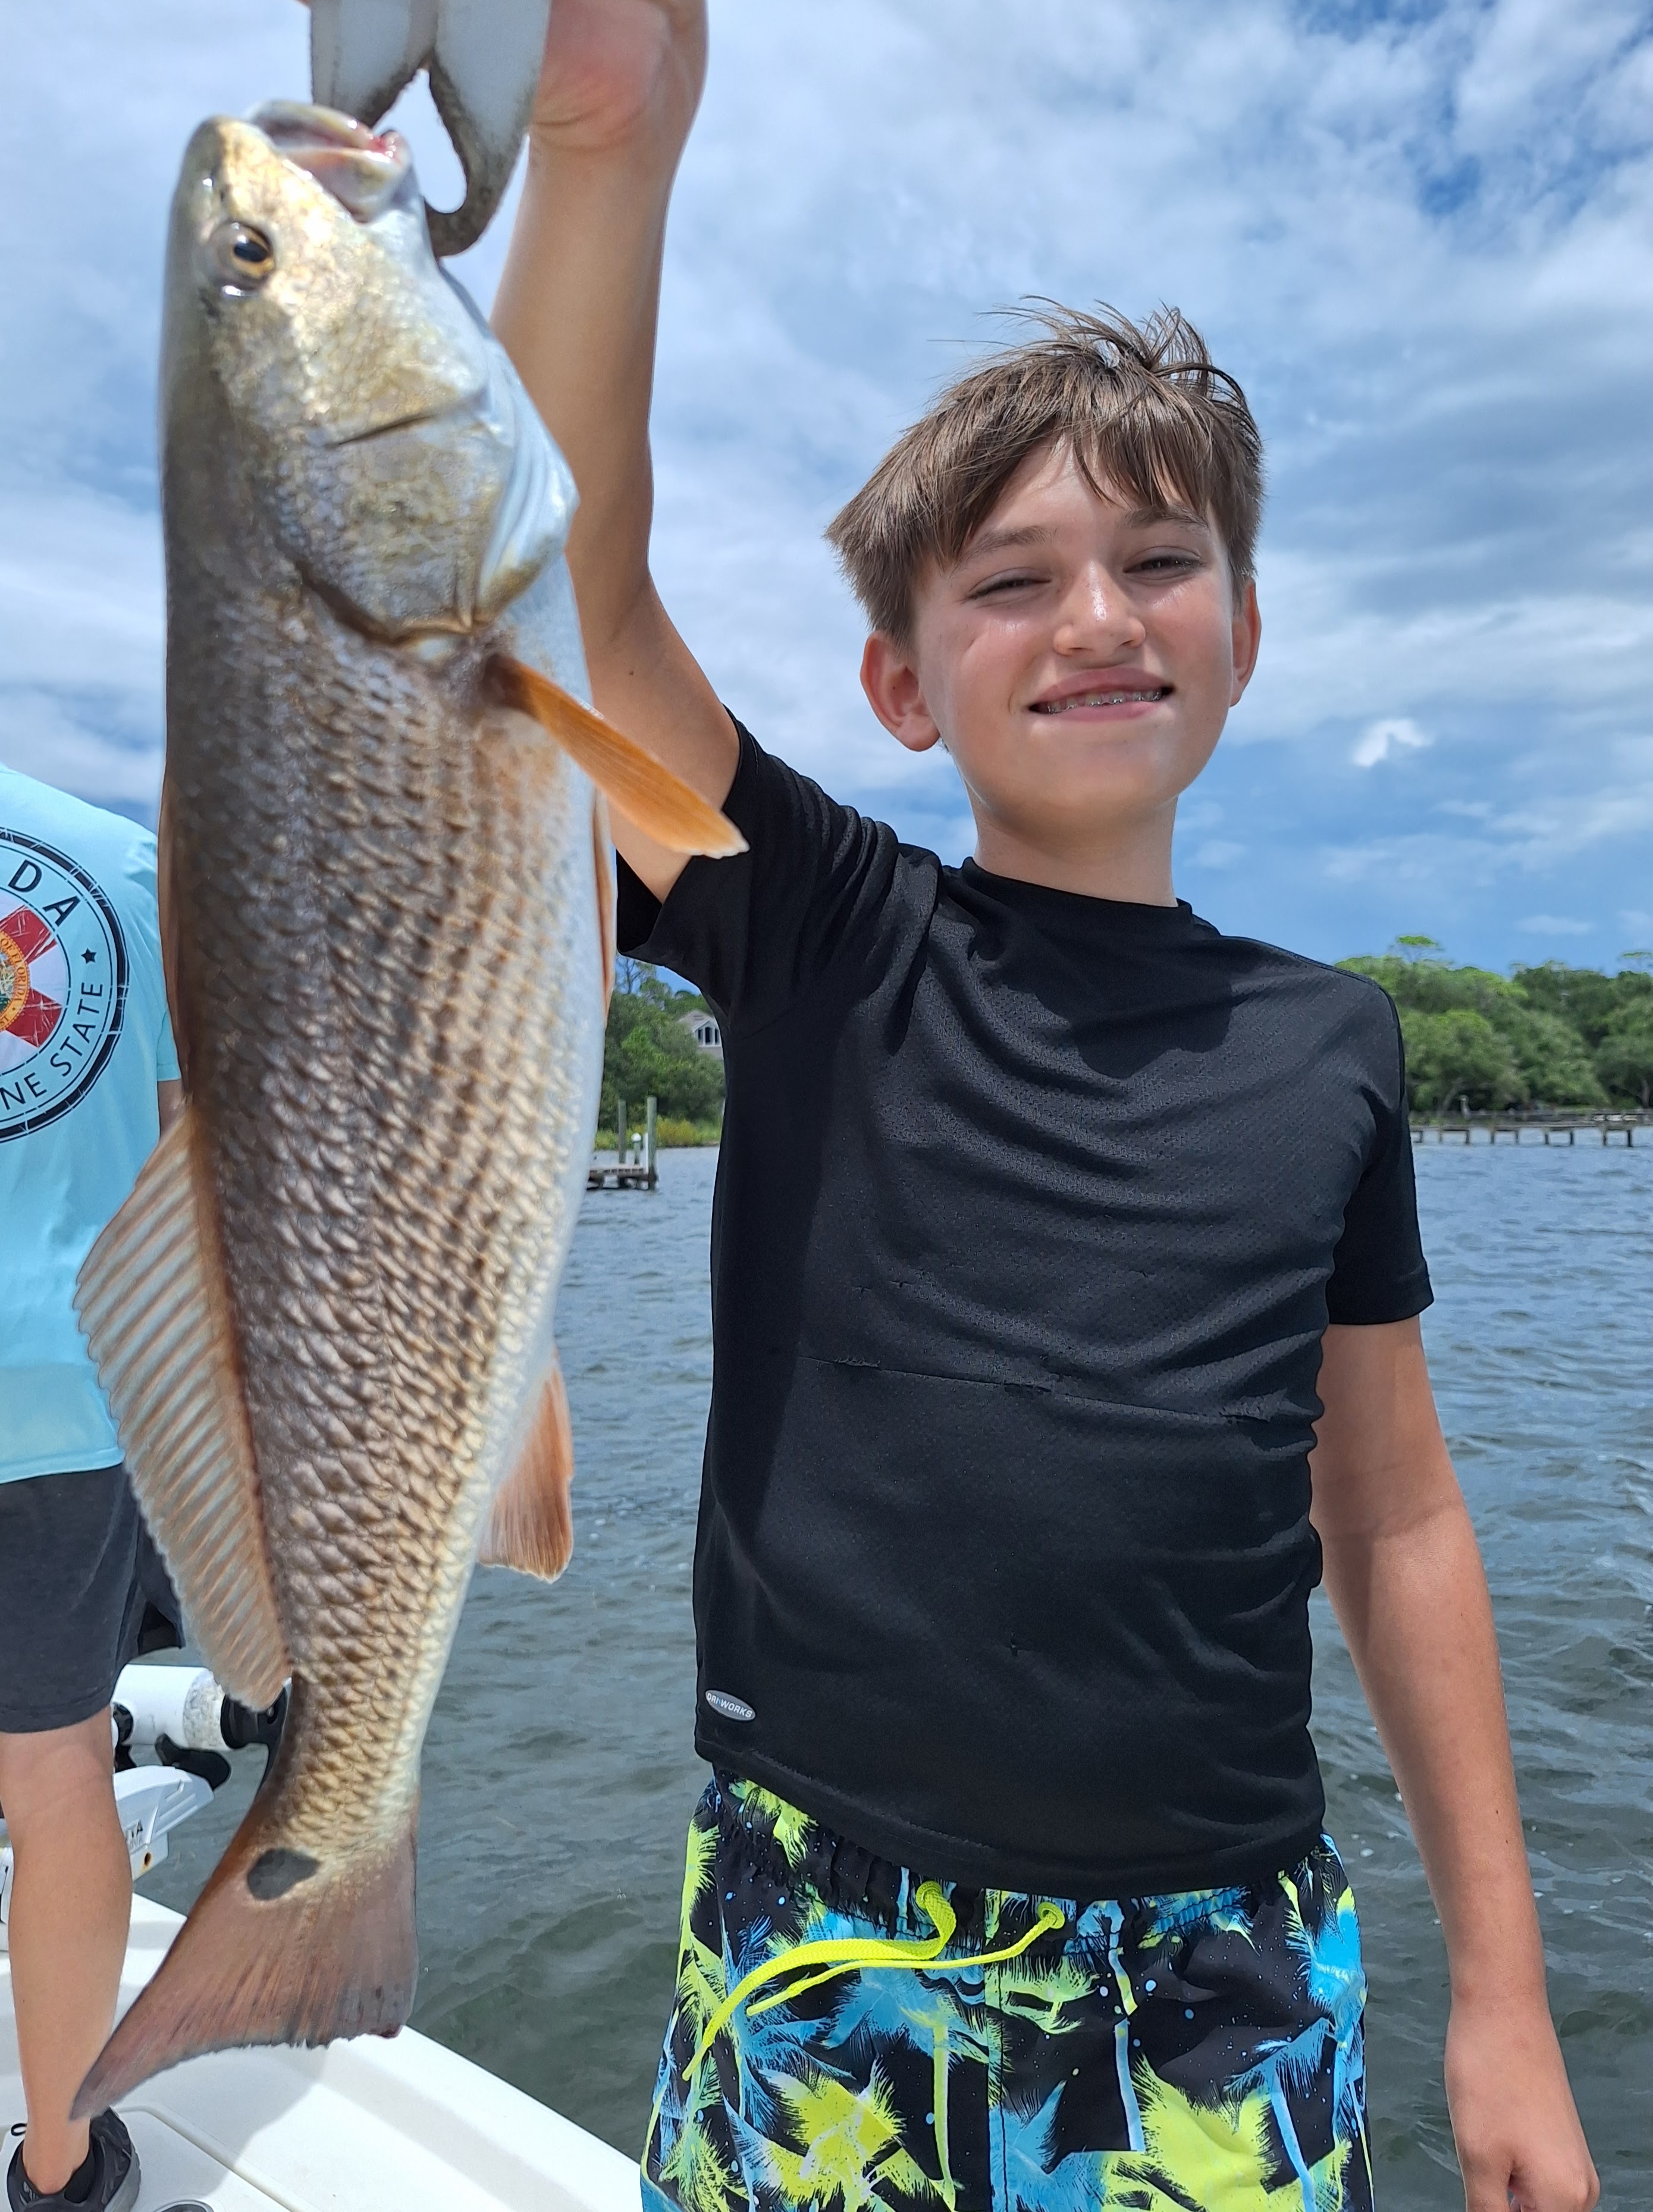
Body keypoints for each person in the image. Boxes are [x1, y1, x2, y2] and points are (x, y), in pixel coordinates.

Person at [492, 6, 1599, 2207]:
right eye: (1010, 581)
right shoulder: (821, 929)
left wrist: (1506, 1995)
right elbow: (561, 579)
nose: (1094, 615)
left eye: (1158, 563)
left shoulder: (1335, 1050)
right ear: (904, 680)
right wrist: (605, 144)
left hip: (1220, 1967)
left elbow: (1389, 1524)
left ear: (1247, 634)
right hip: (818, 1931)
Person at [1, 765, 182, 2212]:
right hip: (68, 1388)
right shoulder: (121, 863)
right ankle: (61, 2170)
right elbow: (193, 1159)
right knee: (58, 1780)